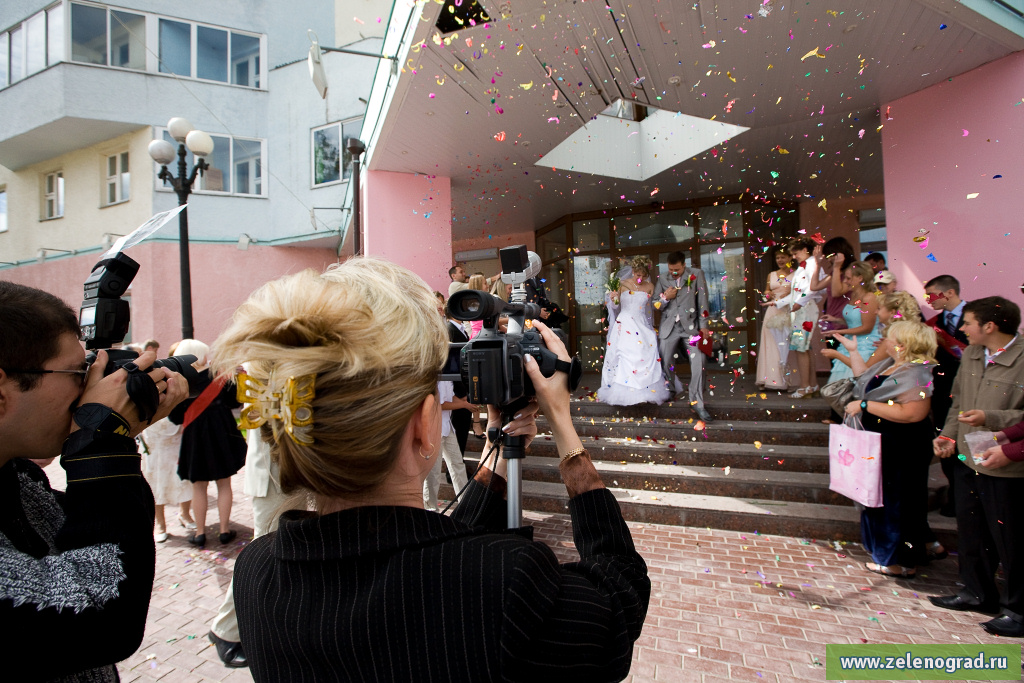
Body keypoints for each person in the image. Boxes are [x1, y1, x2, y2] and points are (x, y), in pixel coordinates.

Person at [214, 258, 650, 681]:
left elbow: (433, 550)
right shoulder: (504, 586)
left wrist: (497, 451)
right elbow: (620, 599)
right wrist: (564, 428)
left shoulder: (256, 573)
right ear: (426, 425)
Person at [0, 281, 187, 681]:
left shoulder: (17, 476)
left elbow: (91, 533)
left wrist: (110, 436)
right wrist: (101, 444)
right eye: (78, 372)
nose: (90, 387)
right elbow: (100, 614)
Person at [930, 296, 1024, 638]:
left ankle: (1018, 609)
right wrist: (948, 435)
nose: (962, 328)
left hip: (1006, 463)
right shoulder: (971, 353)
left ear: (990, 326)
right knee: (972, 528)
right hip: (969, 457)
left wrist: (991, 419)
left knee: (1010, 538)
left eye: (967, 322)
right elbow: (959, 401)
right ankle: (976, 592)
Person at [207, 363, 291, 669]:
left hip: (287, 473)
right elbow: (266, 418)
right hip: (275, 476)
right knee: (263, 552)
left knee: (275, 553)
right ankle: (225, 631)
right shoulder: (265, 360)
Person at [840, 321, 938, 578]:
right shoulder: (889, 365)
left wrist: (865, 406)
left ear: (902, 345)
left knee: (898, 501)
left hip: (902, 445)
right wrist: (852, 351)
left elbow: (913, 413)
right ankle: (887, 554)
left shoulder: (916, 374)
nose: (885, 341)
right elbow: (863, 379)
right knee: (879, 497)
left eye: (890, 337)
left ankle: (900, 560)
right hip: (880, 443)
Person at [168, 340, 246, 547]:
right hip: (222, 433)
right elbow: (235, 402)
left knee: (199, 487)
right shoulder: (219, 375)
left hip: (195, 436)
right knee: (224, 483)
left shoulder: (182, 381)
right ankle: (224, 530)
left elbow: (175, 417)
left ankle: (200, 533)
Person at [923, 274, 969, 517]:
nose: (928, 299)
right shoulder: (934, 324)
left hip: (973, 390)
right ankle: (955, 494)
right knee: (945, 442)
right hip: (943, 391)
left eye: (932, 294)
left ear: (949, 292)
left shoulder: (977, 314)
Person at [600, 255, 672, 407]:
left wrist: (664, 298)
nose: (640, 278)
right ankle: (622, 393)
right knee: (624, 354)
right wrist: (613, 299)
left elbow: (654, 306)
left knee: (644, 353)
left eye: (644, 276)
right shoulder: (622, 284)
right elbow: (615, 306)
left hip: (641, 324)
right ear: (633, 271)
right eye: (638, 274)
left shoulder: (650, 286)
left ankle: (647, 393)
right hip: (625, 323)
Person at [653, 251, 713, 421]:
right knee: (665, 361)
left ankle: (697, 402)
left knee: (699, 361)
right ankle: (670, 390)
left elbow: (703, 301)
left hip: (691, 328)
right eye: (671, 269)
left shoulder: (697, 274)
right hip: (669, 327)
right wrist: (665, 298)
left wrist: (704, 326)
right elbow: (655, 304)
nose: (673, 272)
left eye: (677, 270)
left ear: (684, 265)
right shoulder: (662, 278)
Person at [776, 238, 822, 398]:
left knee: (800, 348)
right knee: (806, 348)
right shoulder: (805, 266)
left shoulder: (812, 264)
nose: (794, 257)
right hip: (802, 309)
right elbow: (796, 293)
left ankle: (804, 387)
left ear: (805, 250)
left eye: (795, 253)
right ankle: (812, 385)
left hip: (805, 310)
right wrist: (776, 303)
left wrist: (799, 303)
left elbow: (812, 289)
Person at [821, 261, 881, 385]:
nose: (845, 281)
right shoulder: (853, 295)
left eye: (848, 278)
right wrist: (835, 319)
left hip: (865, 344)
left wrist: (837, 332)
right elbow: (855, 321)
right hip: (851, 341)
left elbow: (866, 328)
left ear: (860, 278)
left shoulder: (869, 297)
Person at [139, 417, 194, 542]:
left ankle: (185, 514)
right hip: (153, 429)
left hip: (177, 424)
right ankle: (160, 523)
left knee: (182, 473)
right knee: (155, 477)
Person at [755, 245, 795, 390]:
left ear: (790, 258)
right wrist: (768, 294)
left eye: (783, 257)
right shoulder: (771, 274)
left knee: (784, 343)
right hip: (772, 310)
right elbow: (766, 291)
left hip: (787, 309)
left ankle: (786, 380)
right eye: (777, 258)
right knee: (769, 343)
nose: (780, 260)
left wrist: (790, 294)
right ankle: (766, 378)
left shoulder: (796, 274)